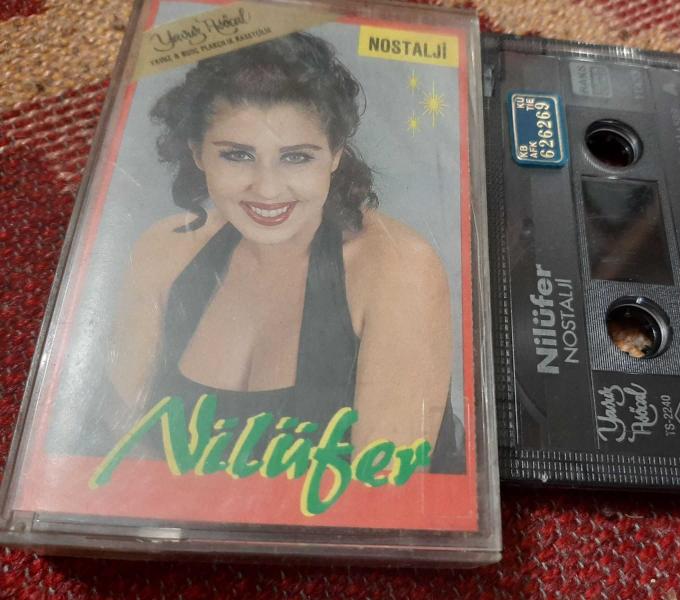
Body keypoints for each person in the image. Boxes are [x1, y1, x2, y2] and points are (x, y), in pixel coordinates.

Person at [108, 33, 459, 461]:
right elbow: (117, 445)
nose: (268, 189)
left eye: (296, 157)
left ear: (335, 155)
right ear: (198, 153)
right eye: (237, 155)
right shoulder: (163, 252)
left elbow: (389, 493)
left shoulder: (398, 268)